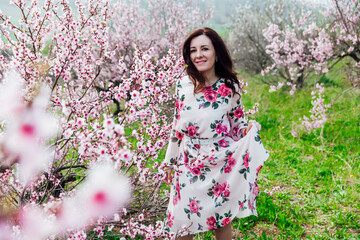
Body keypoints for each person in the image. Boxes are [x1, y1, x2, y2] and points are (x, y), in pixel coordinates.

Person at [162, 27, 269, 240]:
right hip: (188, 160)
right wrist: (169, 161)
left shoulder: (230, 88)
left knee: (221, 219)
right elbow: (177, 125)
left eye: (204, 49)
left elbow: (238, 124)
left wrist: (248, 130)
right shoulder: (183, 85)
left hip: (220, 162)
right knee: (182, 221)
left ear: (216, 53)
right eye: (193, 50)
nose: (198, 55)